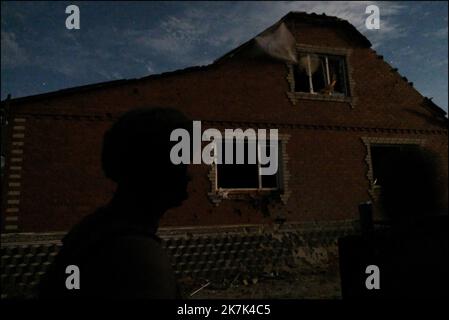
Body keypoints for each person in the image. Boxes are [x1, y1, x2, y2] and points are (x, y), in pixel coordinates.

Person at [38, 107, 191, 298]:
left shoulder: (95, 228)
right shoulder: (138, 259)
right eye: (180, 164)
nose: (189, 176)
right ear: (150, 170)